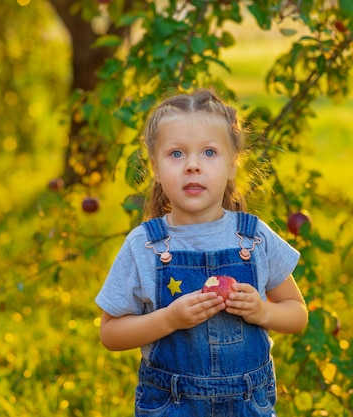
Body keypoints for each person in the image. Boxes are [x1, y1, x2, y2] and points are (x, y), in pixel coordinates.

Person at [96, 88, 308, 416]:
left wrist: (262, 311)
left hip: (248, 406)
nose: (193, 166)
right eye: (176, 154)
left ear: (233, 165)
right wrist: (169, 319)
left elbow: (297, 312)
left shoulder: (253, 238)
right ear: (154, 166)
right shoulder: (145, 246)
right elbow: (110, 333)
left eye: (209, 153)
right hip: (172, 405)